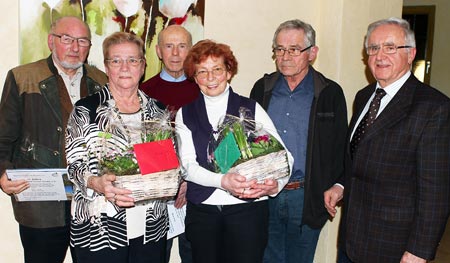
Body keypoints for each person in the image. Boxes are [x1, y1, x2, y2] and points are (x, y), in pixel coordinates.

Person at [324, 17, 450, 263]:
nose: (380, 56)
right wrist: (341, 185)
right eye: (373, 48)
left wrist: (419, 251)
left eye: (390, 47)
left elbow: (436, 192)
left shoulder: (433, 108)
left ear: (411, 53)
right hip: (352, 238)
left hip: (395, 246)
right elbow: (359, 153)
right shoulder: (364, 97)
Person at [175, 39, 293, 263]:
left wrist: (275, 184)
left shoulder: (250, 108)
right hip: (204, 213)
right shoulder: (185, 113)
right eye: (202, 71)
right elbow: (188, 167)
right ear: (195, 77)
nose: (210, 78)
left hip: (247, 213)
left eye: (217, 69)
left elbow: (283, 156)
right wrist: (223, 181)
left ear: (229, 72)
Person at [0, 16, 107, 263]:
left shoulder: (102, 82)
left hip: (91, 203)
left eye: (82, 41)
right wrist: (3, 172)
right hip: (41, 204)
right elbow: (3, 137)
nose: (74, 47)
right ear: (51, 41)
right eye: (67, 39)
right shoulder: (22, 77)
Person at [65, 32, 168, 263]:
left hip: (150, 224)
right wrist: (96, 183)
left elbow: (166, 163)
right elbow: (74, 167)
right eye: (116, 60)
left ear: (142, 66)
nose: (125, 67)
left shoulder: (158, 111)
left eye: (133, 60)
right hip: (100, 226)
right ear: (106, 66)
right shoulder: (86, 110)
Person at [250, 19, 348, 263]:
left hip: (306, 196)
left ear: (312, 53)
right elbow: (249, 139)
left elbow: (340, 148)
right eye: (279, 49)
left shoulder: (329, 93)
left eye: (294, 49)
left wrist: (338, 185)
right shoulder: (262, 88)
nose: (285, 56)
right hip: (266, 194)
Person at [140, 25, 199, 263]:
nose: (175, 53)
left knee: (196, 255)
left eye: (182, 46)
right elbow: (139, 143)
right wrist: (171, 183)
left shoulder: (204, 89)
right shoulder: (144, 91)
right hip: (155, 193)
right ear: (158, 51)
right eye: (169, 46)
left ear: (191, 50)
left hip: (196, 190)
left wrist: (187, 180)